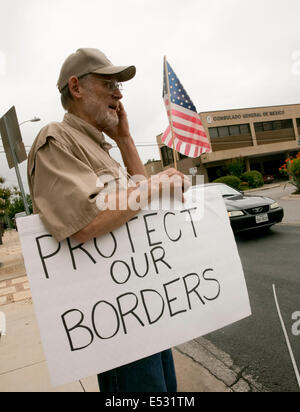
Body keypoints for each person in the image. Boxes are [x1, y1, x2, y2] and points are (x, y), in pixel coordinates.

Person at [27, 48, 189, 392]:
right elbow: (86, 221)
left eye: (120, 86)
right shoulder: (56, 139)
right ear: (76, 87)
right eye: (109, 83)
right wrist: (155, 185)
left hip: (144, 312)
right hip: (118, 328)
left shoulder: (103, 147)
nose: (119, 93)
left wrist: (126, 139)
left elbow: (139, 206)